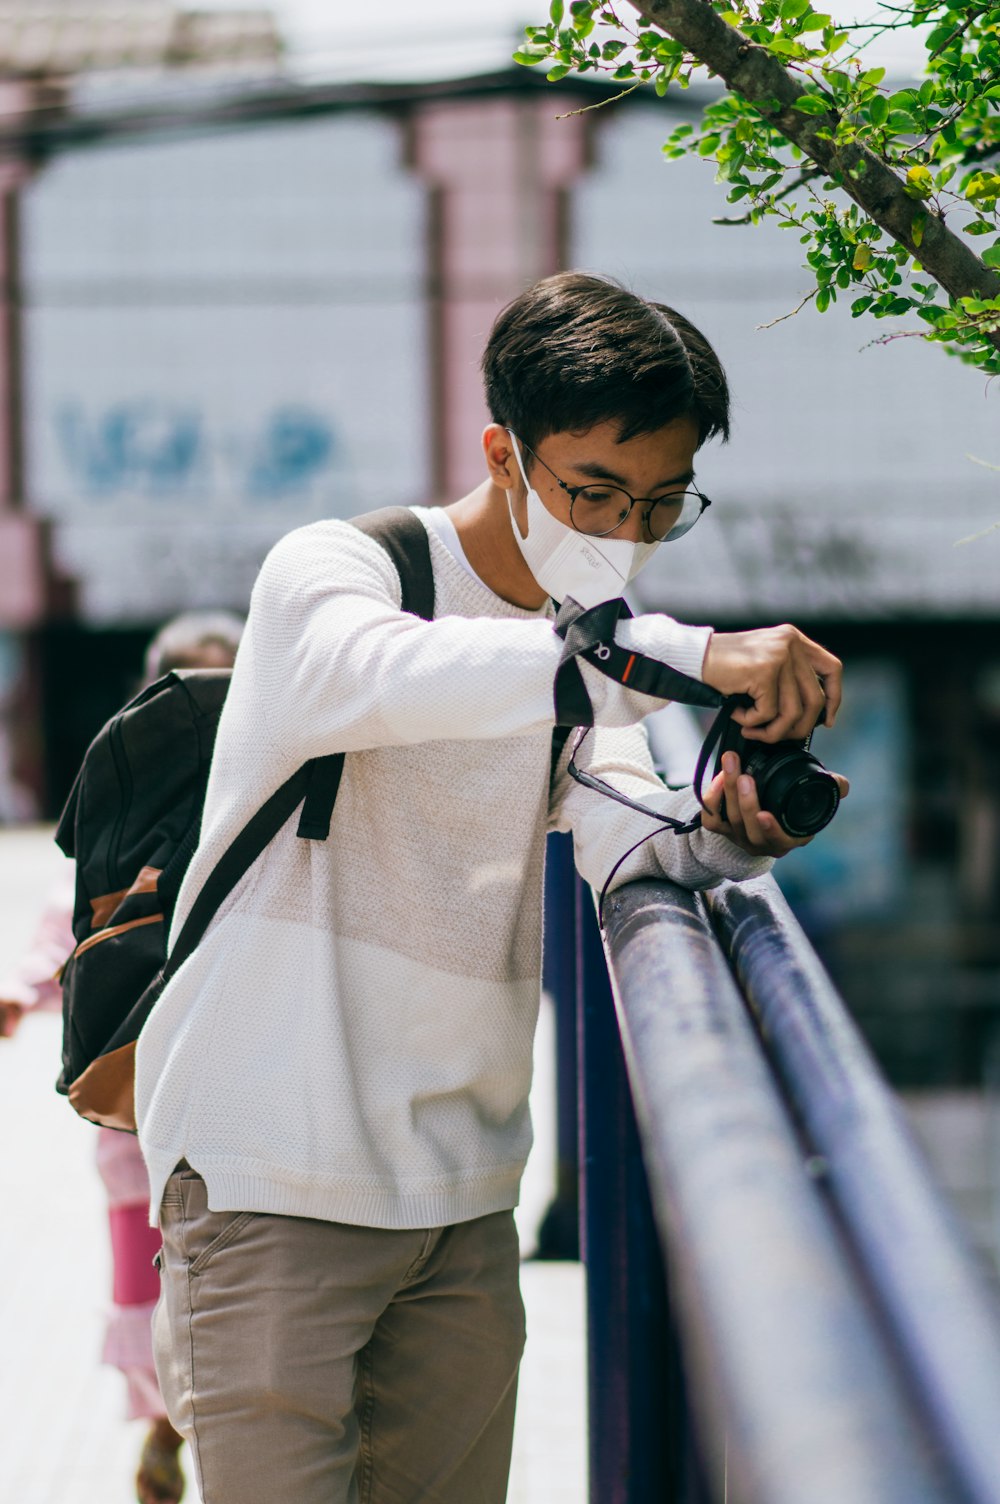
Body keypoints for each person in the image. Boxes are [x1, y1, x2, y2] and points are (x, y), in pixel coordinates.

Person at [135, 272, 846, 1504]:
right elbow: (411, 675)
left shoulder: (588, 638)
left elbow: (622, 835)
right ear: (501, 452)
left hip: (463, 1197)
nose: (624, 531)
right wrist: (685, 655)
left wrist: (725, 835)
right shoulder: (336, 573)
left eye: (663, 502)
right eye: (595, 492)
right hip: (271, 1174)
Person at [0, 610, 243, 1504]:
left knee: (222, 1275)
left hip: (232, 1099)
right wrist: (25, 990)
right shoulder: (115, 805)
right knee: (141, 1285)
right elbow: (69, 929)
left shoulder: (269, 797)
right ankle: (162, 1419)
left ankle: (205, 1425)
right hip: (130, 1109)